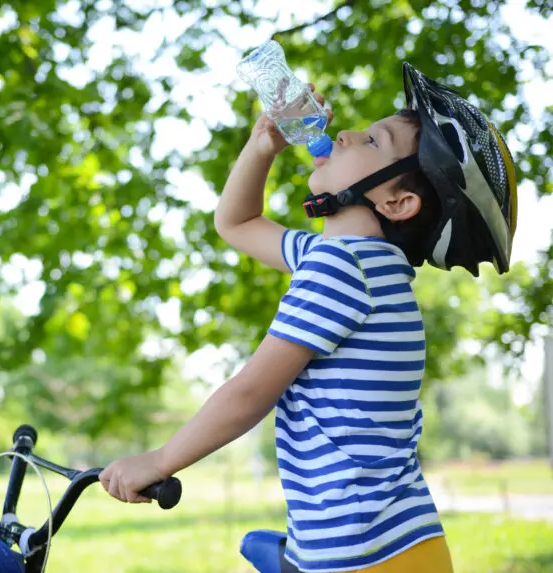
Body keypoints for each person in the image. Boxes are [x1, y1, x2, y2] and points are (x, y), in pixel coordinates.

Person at [99, 62, 517, 572]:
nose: (346, 134)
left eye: (372, 141)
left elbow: (252, 392)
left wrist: (160, 460)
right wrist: (261, 148)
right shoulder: (353, 262)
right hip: (386, 545)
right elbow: (237, 222)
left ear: (397, 202)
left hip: (363, 555)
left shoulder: (342, 268)